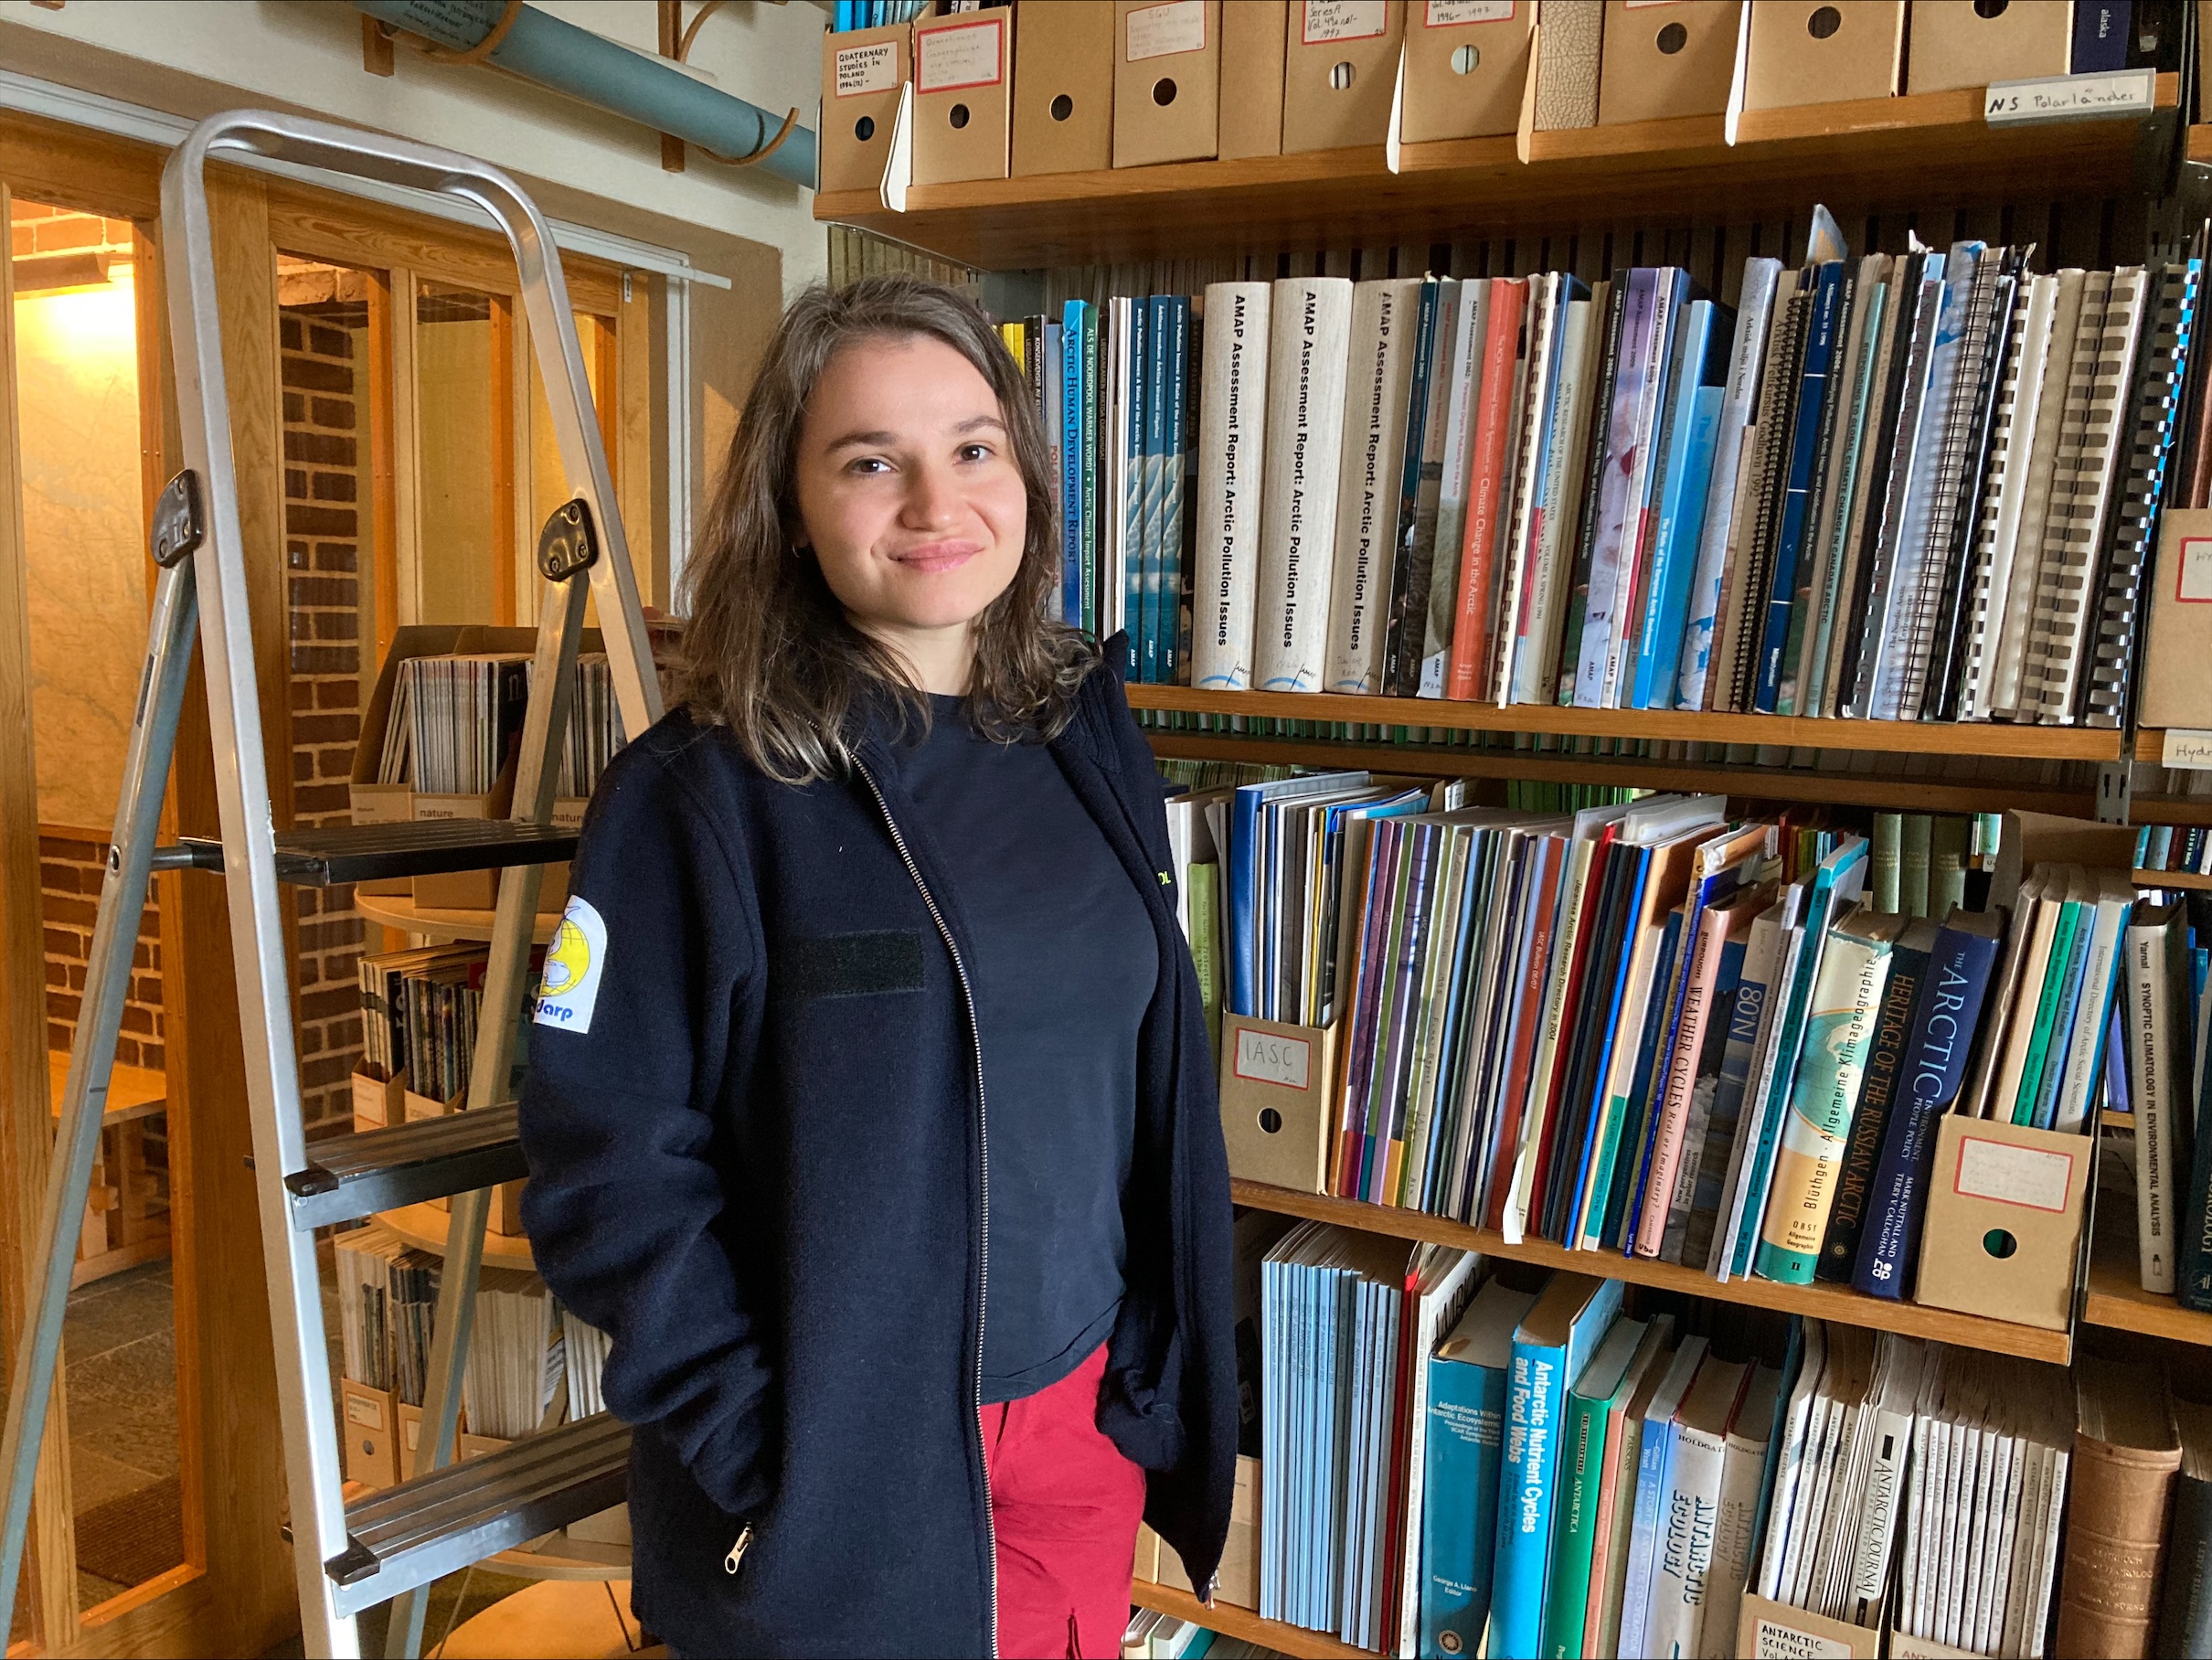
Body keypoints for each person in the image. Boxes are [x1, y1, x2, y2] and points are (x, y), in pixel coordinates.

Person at [517, 272, 1236, 1659]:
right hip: (850, 1476)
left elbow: (1132, 1080)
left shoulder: (1083, 736)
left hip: (1081, 1421)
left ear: (1022, 471)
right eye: (869, 461)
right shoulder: (697, 799)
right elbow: (605, 1170)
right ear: (790, 507)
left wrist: (1136, 1371)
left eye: (972, 448)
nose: (935, 500)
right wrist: (773, 1455)